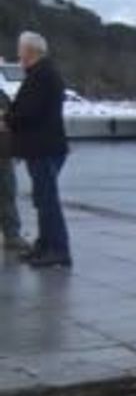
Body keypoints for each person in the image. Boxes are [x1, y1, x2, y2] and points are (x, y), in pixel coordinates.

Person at [6, 32, 70, 268]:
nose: (18, 54)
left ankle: (58, 250)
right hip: (43, 147)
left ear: (30, 51)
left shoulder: (43, 76)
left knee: (47, 199)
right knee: (43, 199)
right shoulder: (40, 73)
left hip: (45, 148)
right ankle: (44, 245)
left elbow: (29, 113)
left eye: (20, 49)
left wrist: (7, 118)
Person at [0, 90, 27, 252]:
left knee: (8, 193)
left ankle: (12, 234)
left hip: (4, 154)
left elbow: (14, 121)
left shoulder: (2, 96)